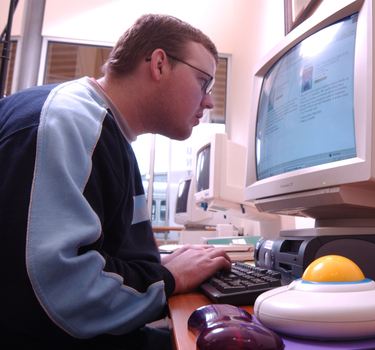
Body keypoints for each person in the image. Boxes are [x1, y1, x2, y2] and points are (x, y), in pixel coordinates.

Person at [0, 14, 231, 349]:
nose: (209, 101)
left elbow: (94, 251)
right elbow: (57, 293)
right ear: (159, 64)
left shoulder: (105, 133)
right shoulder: (69, 122)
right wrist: (172, 276)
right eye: (204, 81)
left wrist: (163, 263)